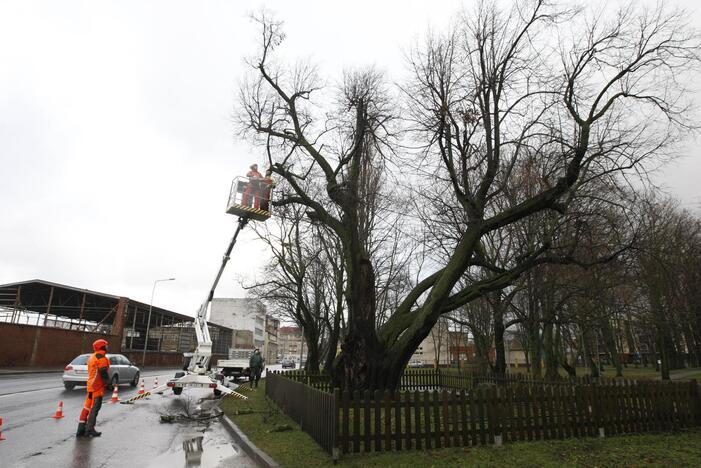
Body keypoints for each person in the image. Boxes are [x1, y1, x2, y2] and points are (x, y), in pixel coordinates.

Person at [76, 339, 110, 437]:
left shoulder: (93, 356)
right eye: (106, 345)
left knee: (87, 407)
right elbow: (103, 372)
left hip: (91, 385)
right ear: (102, 347)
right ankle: (90, 430)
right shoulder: (101, 357)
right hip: (97, 387)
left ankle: (81, 429)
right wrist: (108, 384)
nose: (107, 347)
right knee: (95, 408)